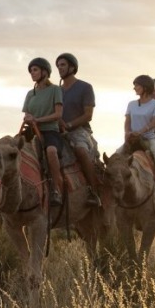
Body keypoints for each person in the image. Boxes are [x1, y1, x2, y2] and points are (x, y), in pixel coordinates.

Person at [56, 53, 104, 207]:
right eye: (58, 65)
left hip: (79, 130)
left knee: (81, 151)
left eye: (62, 65)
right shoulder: (55, 90)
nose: (59, 68)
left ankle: (93, 190)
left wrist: (68, 125)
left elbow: (88, 115)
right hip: (56, 129)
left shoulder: (85, 87)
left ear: (72, 67)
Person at [22, 57, 66, 208]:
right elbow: (26, 115)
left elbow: (58, 114)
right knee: (10, 149)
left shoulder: (55, 90)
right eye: (31, 71)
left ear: (45, 72)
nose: (32, 73)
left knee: (52, 151)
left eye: (35, 70)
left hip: (50, 131)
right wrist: (28, 119)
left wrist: (37, 120)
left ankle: (56, 189)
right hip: (31, 131)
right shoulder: (30, 93)